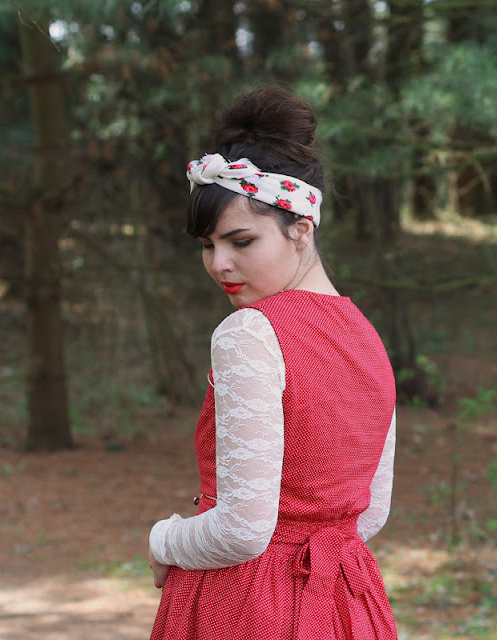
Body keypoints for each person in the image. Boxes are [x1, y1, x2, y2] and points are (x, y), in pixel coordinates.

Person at [148, 85, 398, 639]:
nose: (220, 263)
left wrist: (163, 540)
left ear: (300, 229)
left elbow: (242, 530)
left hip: (247, 605)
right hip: (345, 601)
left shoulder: (251, 332)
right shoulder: (367, 336)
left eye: (241, 241)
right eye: (208, 245)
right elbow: (370, 512)